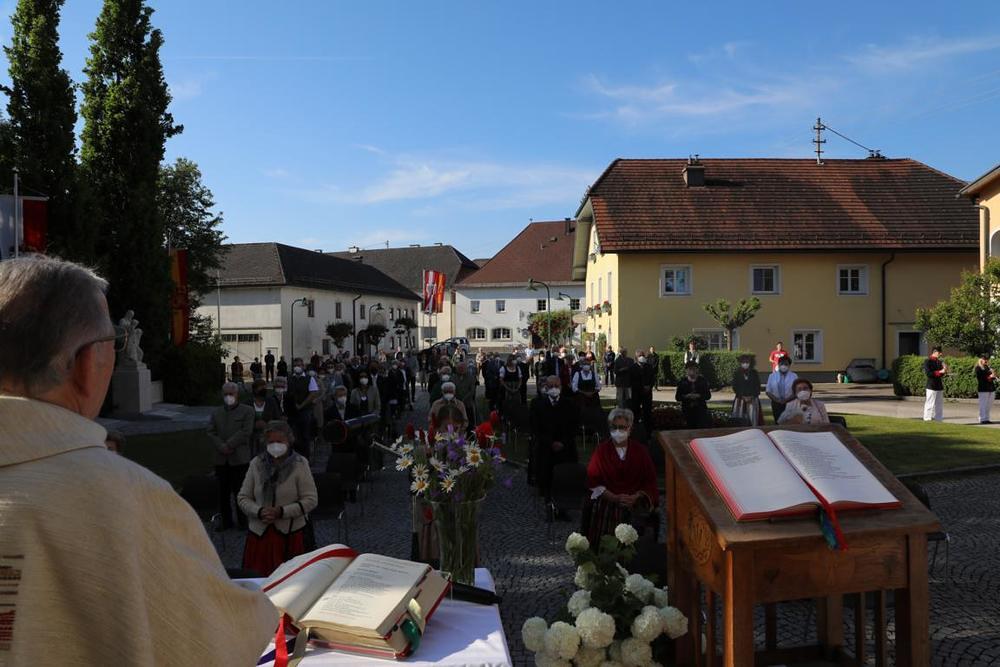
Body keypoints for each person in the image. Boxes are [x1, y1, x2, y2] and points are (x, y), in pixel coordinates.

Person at [0, 255, 276, 664]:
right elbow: (219, 642)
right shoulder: (128, 498)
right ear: (87, 362)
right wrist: (274, 606)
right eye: (114, 341)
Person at [238, 421, 318, 577]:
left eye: (280, 441)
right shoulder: (256, 464)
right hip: (259, 537)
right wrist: (259, 511)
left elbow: (311, 499)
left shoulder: (300, 464)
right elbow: (243, 497)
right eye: (271, 442)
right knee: (259, 581)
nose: (275, 445)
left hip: (290, 536)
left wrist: (282, 512)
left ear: (289, 441)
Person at [584, 408, 659, 544]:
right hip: (608, 502)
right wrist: (614, 497)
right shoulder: (601, 451)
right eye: (614, 427)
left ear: (630, 429)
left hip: (635, 503)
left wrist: (635, 497)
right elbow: (593, 480)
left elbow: (650, 480)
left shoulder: (641, 451)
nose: (618, 431)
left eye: (622, 427)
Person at [208, 381, 255, 530]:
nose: (228, 397)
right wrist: (221, 446)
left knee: (240, 492)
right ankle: (226, 521)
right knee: (223, 492)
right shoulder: (216, 412)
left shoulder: (247, 411)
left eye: (231, 394)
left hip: (239, 458)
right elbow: (211, 431)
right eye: (226, 394)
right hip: (221, 459)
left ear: (237, 394)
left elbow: (246, 431)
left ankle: (243, 521)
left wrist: (229, 444)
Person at [529, 375, 580, 508]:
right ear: (546, 388)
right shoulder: (538, 404)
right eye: (551, 386)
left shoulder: (570, 404)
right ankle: (549, 504)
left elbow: (575, 426)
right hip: (546, 449)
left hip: (566, 449)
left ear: (561, 387)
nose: (554, 389)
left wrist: (563, 442)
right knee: (547, 479)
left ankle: (563, 507)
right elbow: (536, 428)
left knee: (564, 480)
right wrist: (550, 442)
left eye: (556, 386)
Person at [286, 358, 321, 457]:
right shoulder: (289, 378)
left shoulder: (309, 378)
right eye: (295, 365)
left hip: (305, 410)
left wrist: (301, 405)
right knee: (292, 435)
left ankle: (305, 457)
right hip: (292, 411)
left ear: (303, 366)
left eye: (299, 365)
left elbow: (313, 393)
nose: (297, 367)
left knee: (305, 435)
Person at [247, 379, 282, 457]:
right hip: (252, 438)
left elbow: (277, 418)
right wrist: (254, 425)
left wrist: (267, 425)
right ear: (255, 390)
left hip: (268, 436)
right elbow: (243, 422)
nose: (263, 389)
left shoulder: (271, 402)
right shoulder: (247, 404)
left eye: (264, 387)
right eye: (261, 387)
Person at [675, 361, 712, 428]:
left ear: (697, 370)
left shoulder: (703, 381)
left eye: (694, 369)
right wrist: (686, 396)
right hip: (687, 411)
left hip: (701, 411)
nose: (692, 371)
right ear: (686, 370)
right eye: (690, 369)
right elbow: (677, 397)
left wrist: (699, 396)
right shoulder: (682, 382)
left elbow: (708, 396)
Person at [731, 354, 763, 426]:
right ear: (740, 363)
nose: (745, 364)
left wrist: (751, 396)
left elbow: (757, 386)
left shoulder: (754, 373)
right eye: (743, 362)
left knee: (753, 419)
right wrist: (742, 396)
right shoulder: (737, 373)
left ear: (750, 363)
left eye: (747, 362)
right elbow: (735, 386)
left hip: (753, 400)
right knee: (739, 420)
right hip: (740, 400)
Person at [630, 350, 656, 432]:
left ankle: (648, 432)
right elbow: (631, 381)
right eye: (640, 355)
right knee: (635, 412)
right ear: (636, 357)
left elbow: (653, 378)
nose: (642, 357)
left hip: (647, 394)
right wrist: (642, 387)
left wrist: (649, 386)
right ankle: (636, 431)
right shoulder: (633, 368)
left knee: (647, 413)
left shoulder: (649, 367)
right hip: (637, 394)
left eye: (643, 355)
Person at [765, 358, 798, 422]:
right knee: (778, 422)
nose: (783, 366)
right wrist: (777, 400)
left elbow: (796, 391)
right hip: (776, 403)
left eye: (786, 364)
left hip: (790, 403)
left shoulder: (794, 376)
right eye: (782, 364)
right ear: (778, 364)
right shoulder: (772, 376)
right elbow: (768, 391)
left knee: (790, 422)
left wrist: (786, 400)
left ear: (789, 365)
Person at [922, 347, 948, 422]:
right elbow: (928, 373)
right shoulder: (928, 361)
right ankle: (927, 419)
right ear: (935, 352)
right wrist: (940, 372)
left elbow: (941, 374)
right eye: (939, 353)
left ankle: (939, 419)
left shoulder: (939, 362)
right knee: (930, 403)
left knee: (939, 405)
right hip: (931, 385)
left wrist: (945, 370)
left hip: (939, 385)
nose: (941, 354)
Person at [975, 355, 997, 424]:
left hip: (991, 388)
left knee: (989, 404)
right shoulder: (978, 368)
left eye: (987, 359)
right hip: (983, 388)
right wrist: (990, 376)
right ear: (981, 360)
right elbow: (980, 378)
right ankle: (982, 418)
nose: (986, 361)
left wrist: (993, 374)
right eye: (984, 359)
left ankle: (987, 418)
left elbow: (993, 378)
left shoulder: (987, 367)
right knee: (983, 404)